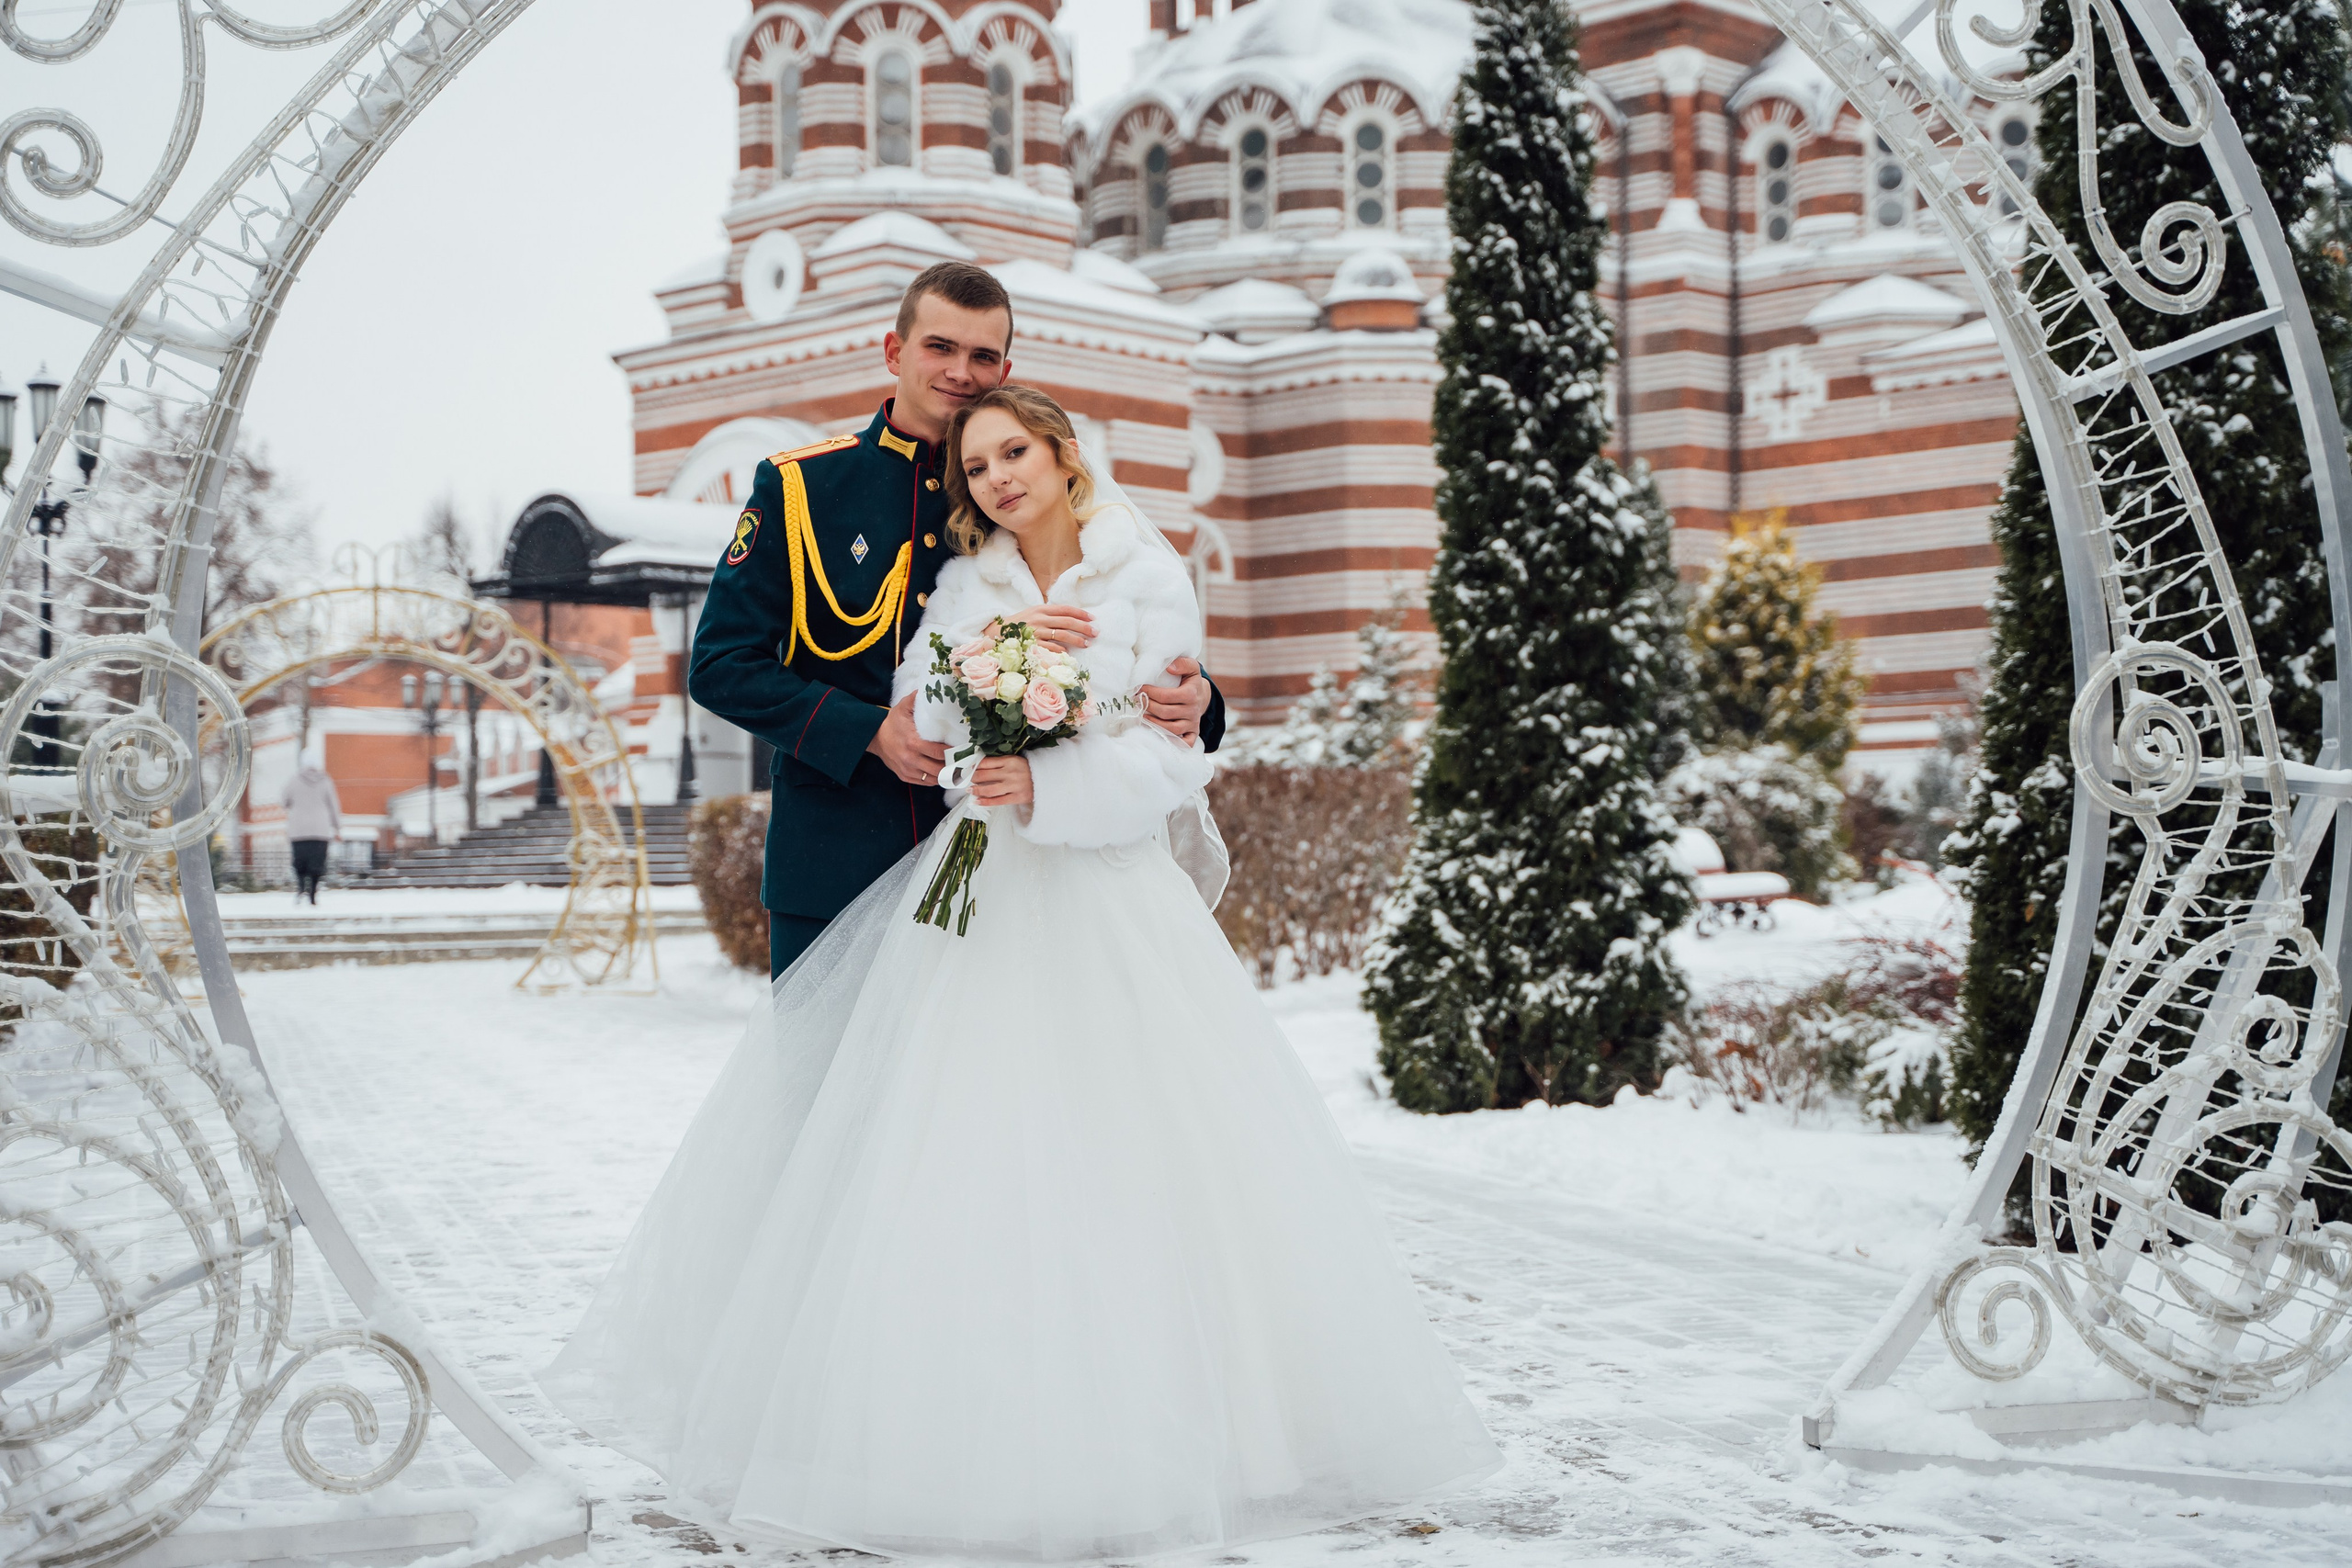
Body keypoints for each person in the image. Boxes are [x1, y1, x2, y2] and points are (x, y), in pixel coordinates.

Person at [542, 387, 1501, 1562]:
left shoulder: (1144, 576)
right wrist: (996, 672)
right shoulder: (968, 582)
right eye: (978, 464)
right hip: (982, 889)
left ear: (1061, 455)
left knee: (1135, 1149)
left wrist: (1056, 790)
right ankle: (948, 1431)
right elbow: (929, 708)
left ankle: (1180, 1435)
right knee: (960, 1143)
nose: (996, 477)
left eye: (1015, 454)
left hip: (1105, 891)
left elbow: (1166, 750)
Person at [686, 261, 1225, 977]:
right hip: (839, 857)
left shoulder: (1020, 484)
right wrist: (869, 731)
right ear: (894, 352)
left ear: (1006, 367)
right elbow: (722, 665)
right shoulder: (802, 487)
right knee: (832, 1091)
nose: (960, 372)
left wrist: (1202, 698)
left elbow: (1107, 613)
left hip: (1007, 867)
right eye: (940, 347)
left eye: (981, 356)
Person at [282, 746, 340, 906]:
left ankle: (301, 887)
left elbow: (284, 801)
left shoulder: (293, 780)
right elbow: (333, 805)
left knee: (300, 862)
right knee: (317, 863)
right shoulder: (326, 781)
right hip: (320, 830)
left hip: (298, 830)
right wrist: (337, 827)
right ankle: (313, 892)